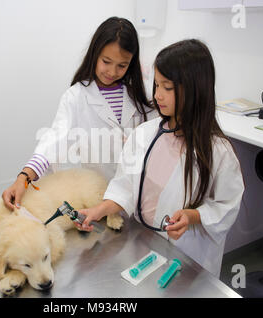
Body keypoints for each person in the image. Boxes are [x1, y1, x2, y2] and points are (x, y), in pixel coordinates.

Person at [78, 39, 245, 278]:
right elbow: (125, 186)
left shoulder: (218, 152)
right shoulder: (144, 134)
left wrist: (192, 215)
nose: (157, 95)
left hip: (187, 256)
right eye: (156, 85)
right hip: (143, 244)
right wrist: (99, 210)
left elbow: (227, 206)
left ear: (196, 88)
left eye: (167, 87)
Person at [2, 17, 156, 211]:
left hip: (137, 201)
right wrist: (23, 179)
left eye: (122, 65)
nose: (112, 71)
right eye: (106, 61)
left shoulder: (142, 99)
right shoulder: (76, 97)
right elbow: (53, 142)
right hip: (96, 200)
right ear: (95, 54)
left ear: (131, 63)